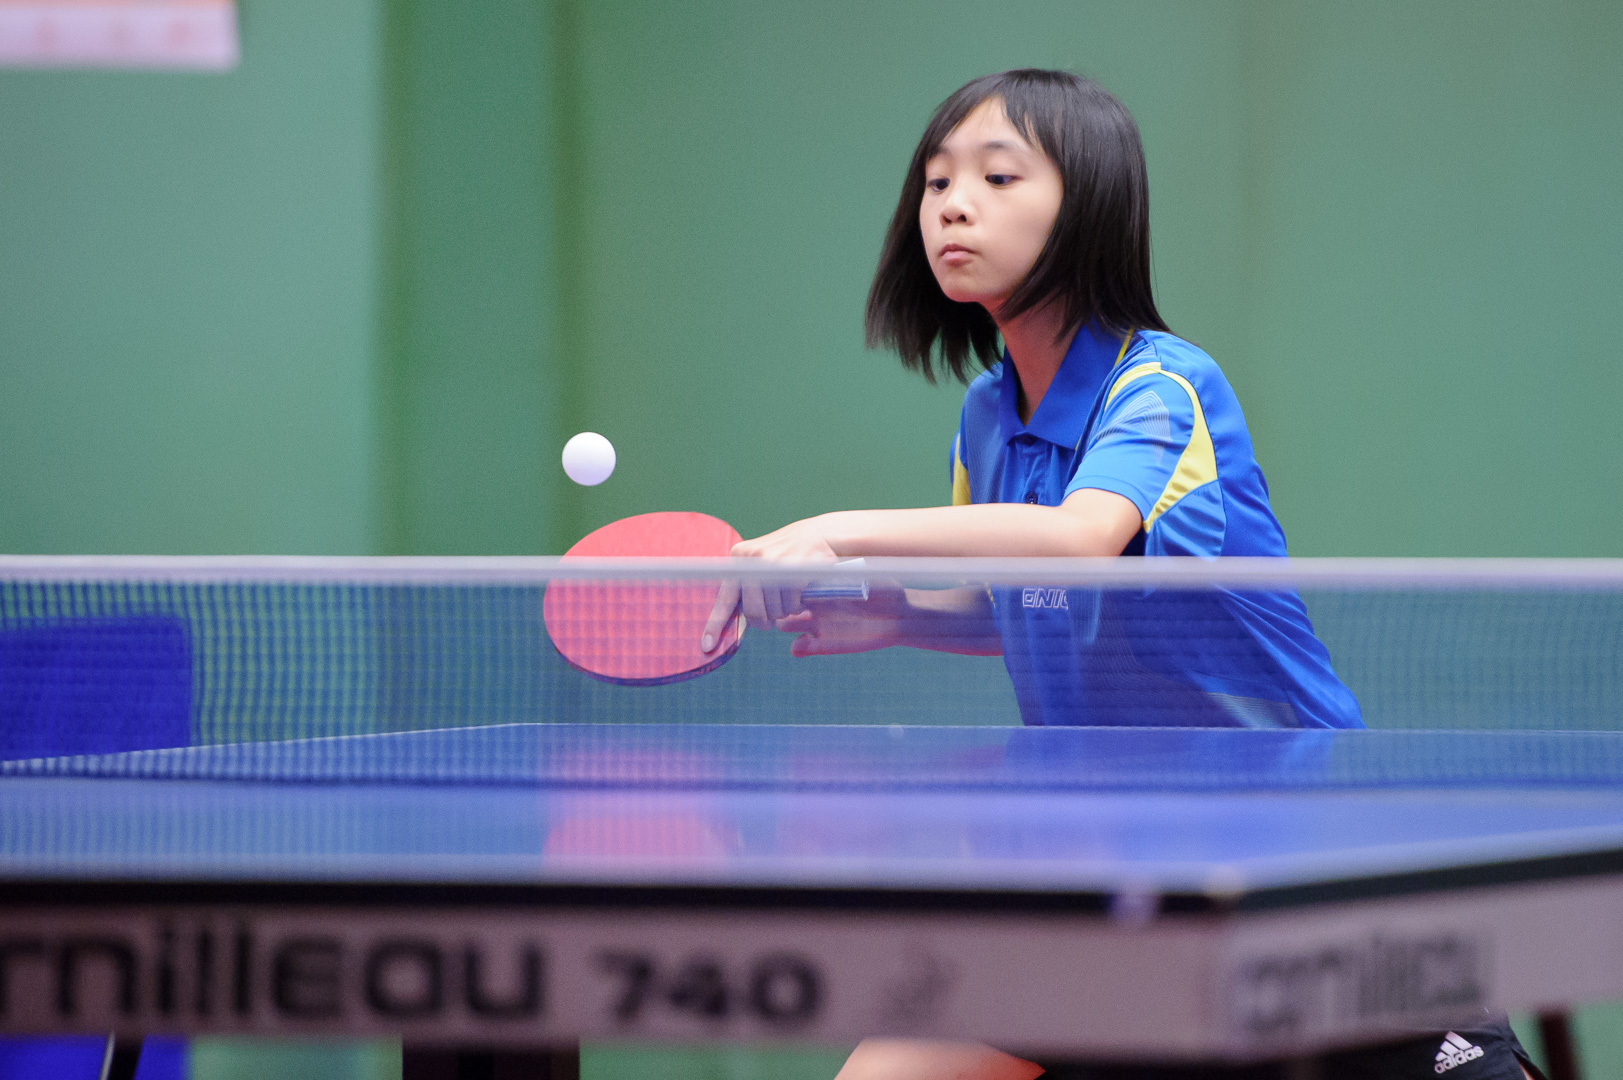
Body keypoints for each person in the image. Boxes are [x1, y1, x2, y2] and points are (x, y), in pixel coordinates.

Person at [703, 69, 1542, 1080]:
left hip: (1300, 855)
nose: (954, 205)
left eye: (998, 177)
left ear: (1088, 208)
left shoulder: (1163, 387)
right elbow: (1031, 599)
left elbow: (1077, 543)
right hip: (1118, 866)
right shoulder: (986, 414)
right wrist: (898, 615)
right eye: (936, 181)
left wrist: (841, 533)